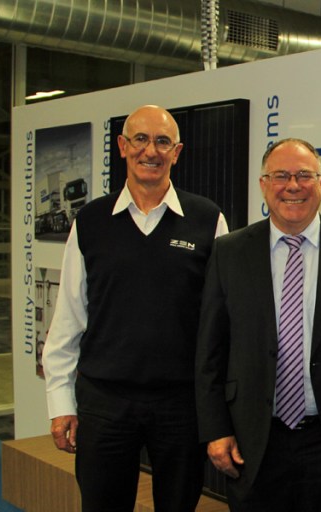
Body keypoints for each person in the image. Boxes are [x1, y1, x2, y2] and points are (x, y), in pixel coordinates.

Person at [42, 104, 229, 512]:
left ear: (177, 152)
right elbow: (68, 319)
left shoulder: (208, 219)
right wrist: (61, 404)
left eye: (162, 141)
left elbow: (220, 323)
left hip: (182, 405)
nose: (151, 150)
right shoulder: (90, 221)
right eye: (141, 139)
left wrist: (217, 411)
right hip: (104, 402)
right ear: (123, 146)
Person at [195, 138, 321, 512]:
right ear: (263, 184)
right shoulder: (229, 251)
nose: (293, 186)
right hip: (254, 440)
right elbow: (210, 349)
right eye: (281, 176)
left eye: (304, 175)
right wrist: (216, 429)